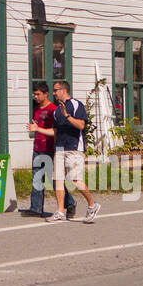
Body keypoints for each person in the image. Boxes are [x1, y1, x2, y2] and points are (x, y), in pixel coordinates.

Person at [48, 81, 99, 223]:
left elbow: (81, 125)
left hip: (74, 148)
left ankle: (92, 205)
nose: (54, 93)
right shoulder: (56, 110)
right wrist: (37, 129)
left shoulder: (76, 105)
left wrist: (67, 116)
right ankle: (60, 211)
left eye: (55, 90)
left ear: (63, 90)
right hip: (60, 148)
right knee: (58, 181)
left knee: (75, 180)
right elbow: (56, 131)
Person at [27, 81, 75, 219]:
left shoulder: (53, 109)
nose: (35, 97)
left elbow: (56, 131)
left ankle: (70, 203)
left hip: (50, 148)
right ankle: (35, 208)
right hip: (38, 147)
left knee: (54, 180)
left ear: (46, 94)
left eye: (38, 94)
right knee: (37, 177)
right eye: (34, 94)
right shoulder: (36, 109)